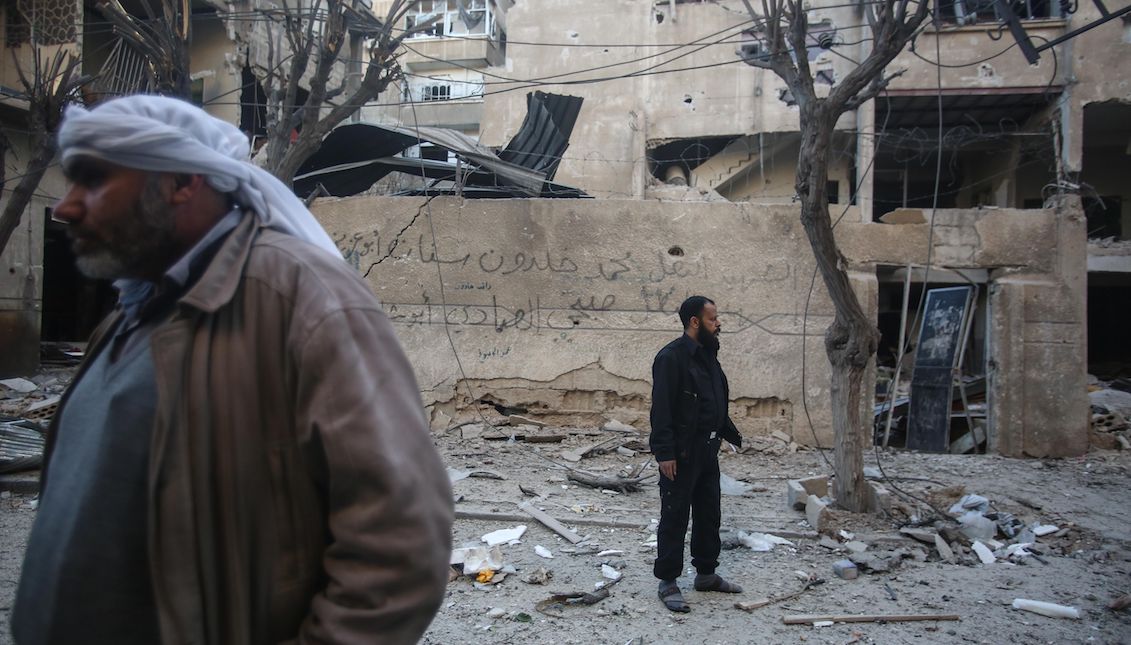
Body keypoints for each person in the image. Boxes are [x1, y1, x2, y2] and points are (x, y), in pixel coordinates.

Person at [11, 96, 453, 645]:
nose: (66, 207)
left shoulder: (299, 299)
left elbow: (399, 545)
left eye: (94, 180)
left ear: (182, 181)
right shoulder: (128, 318)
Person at [649, 296, 744, 613]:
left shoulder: (708, 355)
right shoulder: (671, 358)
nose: (718, 324)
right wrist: (665, 453)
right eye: (713, 319)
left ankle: (706, 574)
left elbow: (713, 400)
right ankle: (668, 581)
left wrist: (728, 434)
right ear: (694, 321)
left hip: (708, 451)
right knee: (675, 517)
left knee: (709, 514)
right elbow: (661, 410)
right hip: (681, 453)